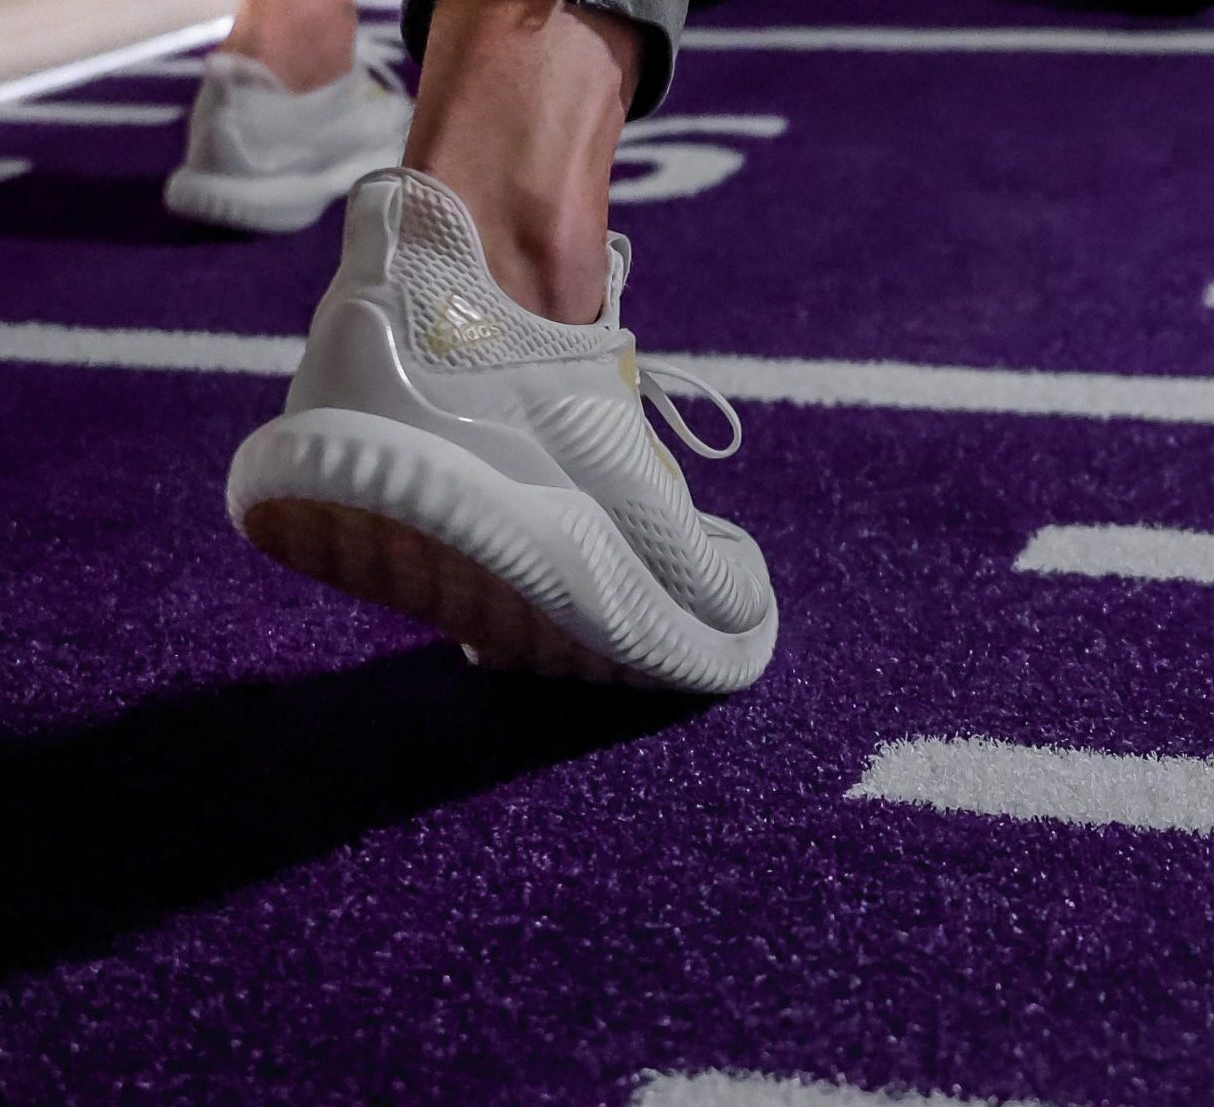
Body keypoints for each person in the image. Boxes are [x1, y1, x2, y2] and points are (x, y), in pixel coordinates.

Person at [172, 0, 776, 695]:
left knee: (296, 35)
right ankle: (511, 245)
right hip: (472, 320)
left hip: (397, 301)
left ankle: (287, 54)